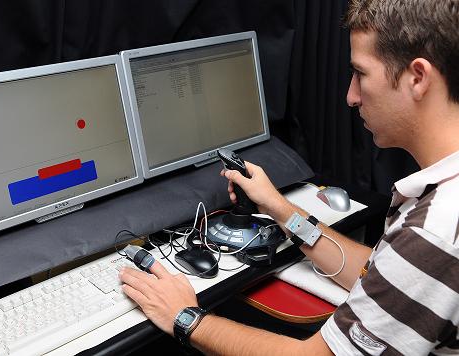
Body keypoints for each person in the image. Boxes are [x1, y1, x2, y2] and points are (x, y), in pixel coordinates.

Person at [119, 0, 459, 354]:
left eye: (361, 73)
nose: (351, 96)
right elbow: (376, 273)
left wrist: (184, 316)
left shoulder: (436, 230)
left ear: (417, 78)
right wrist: (281, 210)